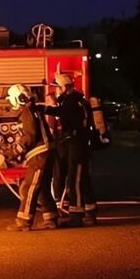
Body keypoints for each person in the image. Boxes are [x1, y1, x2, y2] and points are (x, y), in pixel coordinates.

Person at [5, 84, 59, 231]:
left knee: (30, 187)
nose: (11, 103)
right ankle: (51, 218)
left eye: (12, 100)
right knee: (42, 189)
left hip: (39, 155)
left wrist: (15, 151)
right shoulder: (32, 109)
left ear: (18, 98)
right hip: (45, 153)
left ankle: (23, 221)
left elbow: (30, 136)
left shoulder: (27, 112)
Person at [45, 73, 96, 227]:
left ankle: (76, 215)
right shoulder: (76, 100)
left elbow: (61, 112)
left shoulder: (72, 102)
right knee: (83, 179)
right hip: (77, 143)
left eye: (57, 88)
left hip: (77, 144)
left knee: (75, 180)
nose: (56, 91)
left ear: (65, 88)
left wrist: (43, 108)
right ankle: (90, 212)